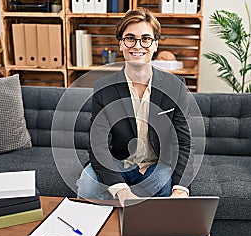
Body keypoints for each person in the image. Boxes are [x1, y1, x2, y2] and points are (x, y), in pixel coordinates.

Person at [76, 8, 194, 206]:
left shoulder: (176, 87)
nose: (137, 45)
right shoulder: (104, 89)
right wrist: (121, 190)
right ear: (121, 43)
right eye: (130, 38)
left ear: (155, 44)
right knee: (87, 186)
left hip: (155, 164)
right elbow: (97, 144)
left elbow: (184, 142)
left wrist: (181, 189)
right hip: (117, 162)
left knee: (165, 186)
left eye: (146, 38)